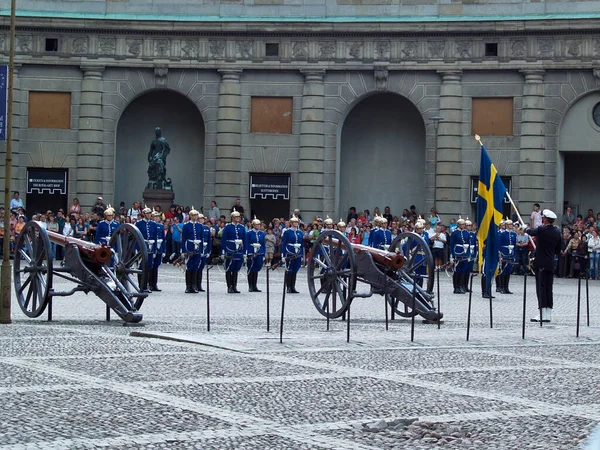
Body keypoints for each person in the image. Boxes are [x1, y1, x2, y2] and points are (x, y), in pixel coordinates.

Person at [527, 209, 561, 323]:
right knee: (548, 288)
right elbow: (558, 249)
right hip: (550, 263)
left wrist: (524, 228)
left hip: (540, 263)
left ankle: (542, 313)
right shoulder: (557, 232)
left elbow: (531, 232)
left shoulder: (541, 229)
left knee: (541, 288)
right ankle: (548, 314)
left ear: (545, 219)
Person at [221, 209, 246, 293]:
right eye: (236, 217)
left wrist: (244, 252)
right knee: (229, 268)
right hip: (230, 249)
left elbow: (245, 240)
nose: (238, 218)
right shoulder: (228, 227)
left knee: (236, 269)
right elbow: (224, 240)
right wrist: (223, 251)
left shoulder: (242, 227)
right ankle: (229, 286)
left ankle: (234, 286)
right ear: (232, 218)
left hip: (238, 250)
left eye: (238, 217)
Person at [181, 207, 204, 293]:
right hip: (189, 247)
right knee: (189, 267)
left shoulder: (200, 226)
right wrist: (183, 251)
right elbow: (184, 239)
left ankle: (194, 285)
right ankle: (188, 286)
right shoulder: (186, 226)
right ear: (191, 216)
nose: (196, 217)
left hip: (197, 248)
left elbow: (202, 239)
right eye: (194, 215)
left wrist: (201, 250)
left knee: (195, 267)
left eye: (196, 215)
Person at [135, 205, 157, 293]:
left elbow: (155, 237)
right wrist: (137, 249)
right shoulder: (139, 223)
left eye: (149, 214)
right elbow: (136, 237)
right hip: (142, 246)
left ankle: (146, 285)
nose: (148, 215)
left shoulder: (153, 224)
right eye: (147, 214)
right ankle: (141, 285)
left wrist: (154, 249)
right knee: (141, 267)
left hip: (150, 246)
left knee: (148, 267)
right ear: (144, 214)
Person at [281, 214, 303, 293]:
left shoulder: (300, 232)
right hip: (290, 251)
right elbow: (284, 243)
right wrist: (283, 254)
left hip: (298, 251)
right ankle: (288, 286)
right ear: (291, 223)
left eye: (297, 222)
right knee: (289, 269)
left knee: (295, 269)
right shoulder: (287, 232)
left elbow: (302, 244)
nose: (296, 223)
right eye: (294, 222)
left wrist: (302, 254)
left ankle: (293, 286)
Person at [245, 216, 265, 292]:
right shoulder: (249, 233)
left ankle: (255, 285)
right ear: (253, 225)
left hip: (259, 252)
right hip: (251, 251)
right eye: (257, 225)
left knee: (256, 268)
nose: (258, 226)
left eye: (259, 225)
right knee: (250, 268)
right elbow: (247, 243)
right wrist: (246, 253)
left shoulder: (262, 233)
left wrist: (263, 253)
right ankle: (250, 285)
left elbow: (263, 244)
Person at [450, 217, 469, 294]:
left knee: (463, 271)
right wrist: (451, 255)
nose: (463, 226)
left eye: (464, 224)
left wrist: (468, 253)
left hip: (464, 253)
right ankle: (456, 287)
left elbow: (468, 242)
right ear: (458, 225)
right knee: (457, 271)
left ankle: (461, 286)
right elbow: (451, 244)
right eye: (461, 224)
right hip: (457, 252)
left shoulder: (466, 232)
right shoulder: (454, 233)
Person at [498, 219, 517, 294]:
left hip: (511, 253)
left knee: (508, 271)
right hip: (504, 253)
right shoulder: (502, 234)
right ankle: (502, 287)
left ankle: (506, 287)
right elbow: (499, 245)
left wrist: (514, 255)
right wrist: (500, 255)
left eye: (511, 224)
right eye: (509, 225)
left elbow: (515, 245)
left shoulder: (514, 234)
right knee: (503, 271)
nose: (511, 226)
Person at [196, 213, 212, 292]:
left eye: (202, 219)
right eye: (200, 219)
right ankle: (194, 284)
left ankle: (199, 284)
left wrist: (209, 250)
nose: (201, 220)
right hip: (197, 250)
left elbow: (209, 240)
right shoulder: (196, 227)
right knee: (196, 267)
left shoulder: (206, 228)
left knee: (201, 267)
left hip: (204, 250)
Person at [150, 211, 165, 291]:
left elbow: (163, 238)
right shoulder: (151, 225)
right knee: (150, 267)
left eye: (158, 216)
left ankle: (154, 284)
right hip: (151, 247)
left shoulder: (161, 226)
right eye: (155, 216)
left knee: (156, 267)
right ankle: (149, 283)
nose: (157, 218)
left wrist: (163, 250)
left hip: (159, 247)